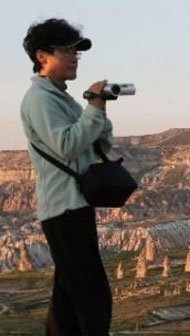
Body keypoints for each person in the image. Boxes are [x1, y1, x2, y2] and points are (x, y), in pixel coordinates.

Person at [21, 18, 113, 335]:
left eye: (77, 52)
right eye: (67, 51)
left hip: (74, 206)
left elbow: (102, 143)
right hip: (64, 209)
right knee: (93, 297)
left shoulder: (65, 100)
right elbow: (68, 145)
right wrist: (93, 109)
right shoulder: (40, 100)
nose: (74, 57)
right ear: (42, 57)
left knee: (67, 300)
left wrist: (99, 110)